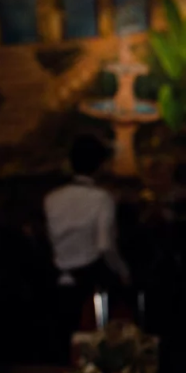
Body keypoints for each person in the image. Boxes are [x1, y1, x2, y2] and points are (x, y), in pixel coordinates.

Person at [44, 135, 131, 340]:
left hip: (57, 276)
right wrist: (124, 272)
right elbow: (105, 245)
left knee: (63, 339)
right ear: (100, 166)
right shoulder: (101, 198)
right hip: (92, 280)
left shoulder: (51, 198)